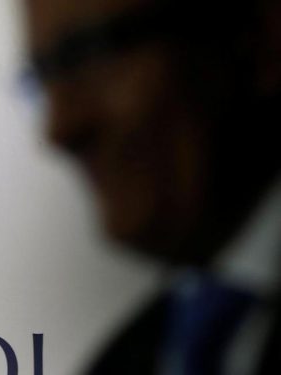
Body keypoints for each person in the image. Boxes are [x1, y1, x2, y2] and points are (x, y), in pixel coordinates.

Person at [25, 0, 281, 373]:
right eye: (43, 76)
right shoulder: (124, 362)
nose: (59, 130)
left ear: (261, 39)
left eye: (90, 52)